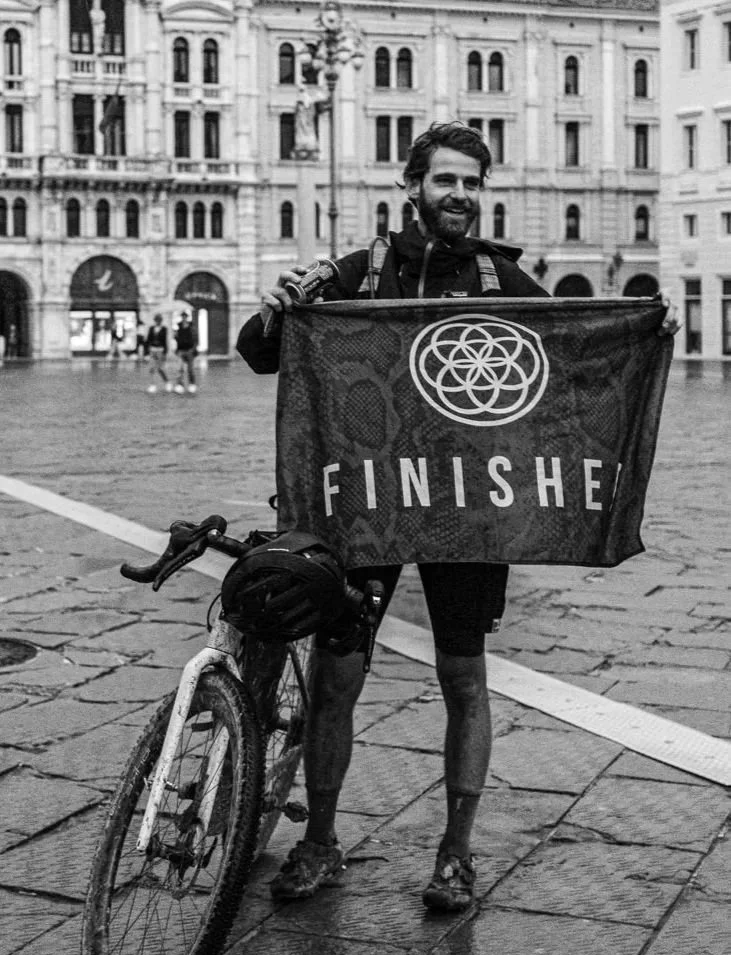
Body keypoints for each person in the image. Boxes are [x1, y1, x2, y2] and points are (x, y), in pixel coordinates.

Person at [237, 121, 680, 912]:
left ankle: (453, 854)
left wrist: (640, 339)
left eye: (473, 184)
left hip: (467, 515)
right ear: (412, 186)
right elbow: (261, 351)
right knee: (337, 678)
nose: (461, 197)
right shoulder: (354, 274)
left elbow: (574, 358)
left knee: (463, 678)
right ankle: (319, 840)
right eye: (447, 181)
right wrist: (274, 311)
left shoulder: (501, 278)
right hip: (368, 507)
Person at [145, 313, 171, 393]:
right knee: (152, 368)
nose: (158, 321)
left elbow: (165, 341)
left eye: (159, 320)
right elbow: (148, 340)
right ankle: (152, 385)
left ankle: (167, 381)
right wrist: (146, 352)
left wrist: (165, 352)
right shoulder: (151, 328)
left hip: (160, 350)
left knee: (160, 368)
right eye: (156, 320)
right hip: (153, 349)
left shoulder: (164, 329)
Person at [173, 311, 198, 394]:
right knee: (180, 368)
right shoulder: (178, 327)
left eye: (185, 316)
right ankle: (180, 385)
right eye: (182, 316)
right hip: (181, 350)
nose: (184, 318)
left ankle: (192, 384)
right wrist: (175, 336)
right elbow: (177, 339)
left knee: (190, 369)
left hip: (189, 350)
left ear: (187, 317)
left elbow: (195, 338)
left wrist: (194, 348)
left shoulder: (191, 327)